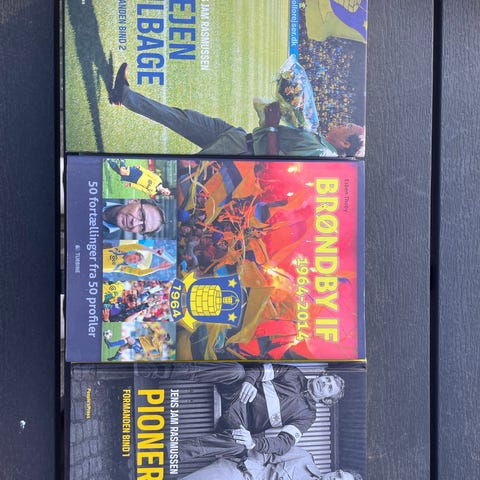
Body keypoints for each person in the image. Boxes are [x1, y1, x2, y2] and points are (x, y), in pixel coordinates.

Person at [109, 63, 364, 157]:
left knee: (183, 172)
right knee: (183, 118)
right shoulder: (320, 142)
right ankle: (124, 95)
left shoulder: (321, 153)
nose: (344, 123)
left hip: (240, 151)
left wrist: (272, 126)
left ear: (345, 143)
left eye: (349, 126)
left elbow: (274, 165)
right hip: (241, 137)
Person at [156, 362, 345, 461]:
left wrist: (253, 442)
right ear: (322, 376)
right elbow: (260, 368)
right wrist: (249, 381)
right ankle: (159, 369)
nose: (324, 383)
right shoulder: (293, 373)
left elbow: (283, 444)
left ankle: (164, 452)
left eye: (329, 388)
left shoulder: (308, 416)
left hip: (239, 421)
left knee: (240, 446)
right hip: (235, 391)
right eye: (327, 379)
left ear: (327, 400)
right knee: (236, 370)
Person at [180, 446, 362, 480]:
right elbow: (265, 451)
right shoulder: (303, 458)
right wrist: (251, 471)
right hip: (241, 475)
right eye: (339, 475)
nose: (335, 479)